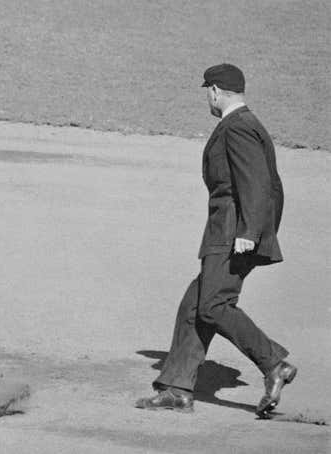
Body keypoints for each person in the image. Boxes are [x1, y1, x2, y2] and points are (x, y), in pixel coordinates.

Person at [135, 64, 296, 418]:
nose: (206, 97)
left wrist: (249, 234)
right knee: (194, 306)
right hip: (230, 233)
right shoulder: (244, 125)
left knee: (213, 306)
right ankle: (176, 388)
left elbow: (258, 185)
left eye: (206, 90)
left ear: (215, 91)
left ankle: (273, 364)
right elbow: (272, 186)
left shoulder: (239, 127)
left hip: (231, 235)